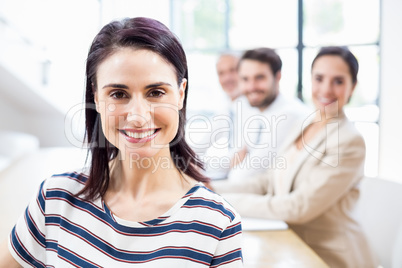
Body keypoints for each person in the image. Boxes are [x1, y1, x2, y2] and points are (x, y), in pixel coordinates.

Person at [0, 17, 243, 267]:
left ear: (180, 94)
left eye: (156, 92)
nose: (138, 116)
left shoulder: (217, 223)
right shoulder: (55, 199)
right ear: (96, 97)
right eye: (118, 94)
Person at [212, 46, 377, 267]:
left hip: (329, 256)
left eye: (338, 81)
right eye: (319, 79)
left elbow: (298, 207)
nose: (326, 89)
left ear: (353, 86)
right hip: (293, 245)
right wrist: (210, 188)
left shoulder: (349, 141)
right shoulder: (307, 123)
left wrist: (219, 201)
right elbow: (269, 180)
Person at [227, 47, 310, 181]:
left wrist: (235, 168)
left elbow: (244, 174)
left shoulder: (289, 115)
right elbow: (236, 156)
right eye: (245, 79)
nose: (251, 87)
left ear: (277, 76)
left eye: (259, 78)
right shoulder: (256, 109)